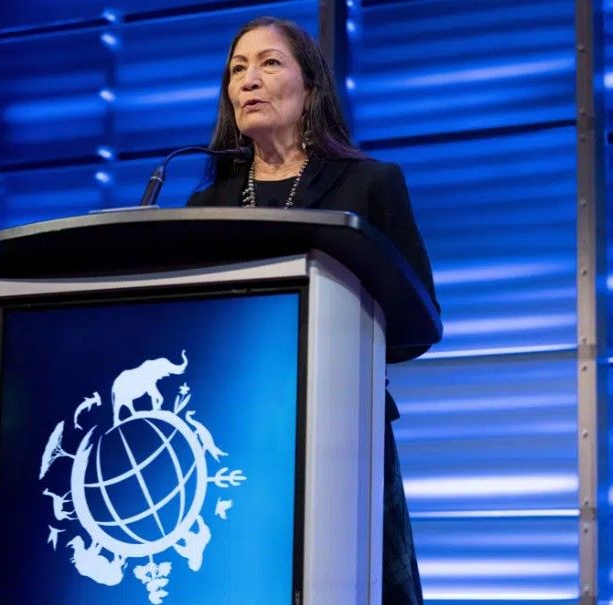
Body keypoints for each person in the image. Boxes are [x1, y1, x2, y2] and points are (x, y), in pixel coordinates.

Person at [186, 16, 440, 605]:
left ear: (311, 88)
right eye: (237, 69)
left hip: (342, 429)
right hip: (231, 431)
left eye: (269, 63)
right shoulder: (205, 204)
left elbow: (419, 320)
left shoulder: (368, 184)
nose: (249, 80)